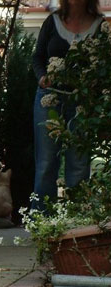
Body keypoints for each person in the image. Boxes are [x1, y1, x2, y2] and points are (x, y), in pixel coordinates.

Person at [31, 0, 104, 211]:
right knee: (46, 164)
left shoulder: (100, 26)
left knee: (79, 164)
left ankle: (75, 223)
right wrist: (42, 77)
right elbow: (37, 57)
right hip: (49, 98)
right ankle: (42, 222)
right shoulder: (52, 22)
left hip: (83, 102)